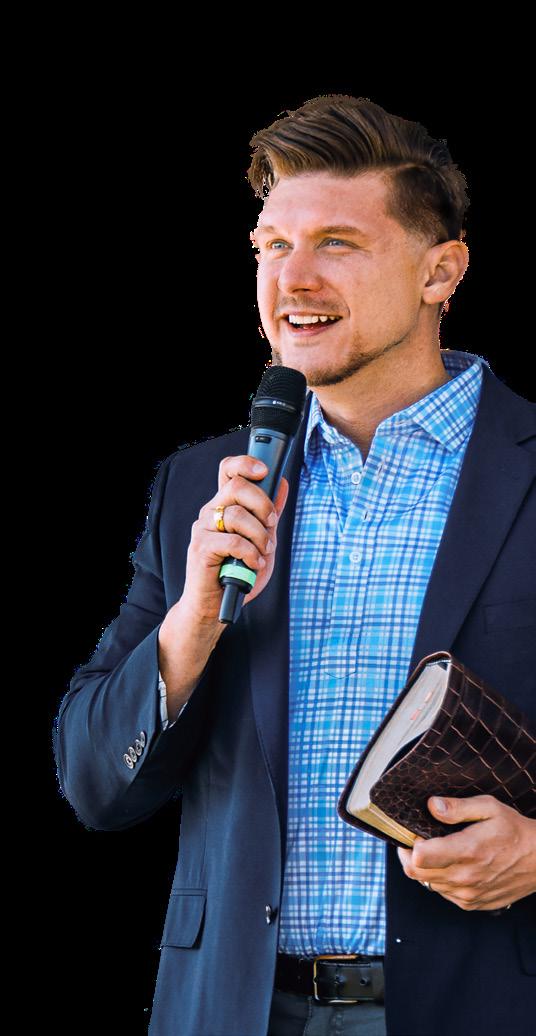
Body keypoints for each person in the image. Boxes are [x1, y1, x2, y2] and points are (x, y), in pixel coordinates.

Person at [52, 94, 536, 1036]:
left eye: (337, 244)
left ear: (442, 270)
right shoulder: (201, 488)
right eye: (272, 246)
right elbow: (93, 784)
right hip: (234, 1013)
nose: (292, 279)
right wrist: (191, 624)